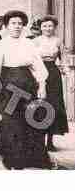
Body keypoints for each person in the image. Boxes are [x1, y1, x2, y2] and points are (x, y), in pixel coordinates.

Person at [0, 10, 52, 169]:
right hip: (7, 88)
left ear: (23, 26)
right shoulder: (0, 45)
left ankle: (33, 158)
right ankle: (12, 159)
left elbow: (38, 67)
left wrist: (42, 86)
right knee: (9, 123)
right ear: (7, 26)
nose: (17, 27)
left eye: (20, 24)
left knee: (32, 121)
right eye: (13, 23)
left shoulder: (29, 44)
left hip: (28, 86)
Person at [33, 15, 69, 152]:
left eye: (50, 26)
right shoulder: (35, 41)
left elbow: (64, 58)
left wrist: (65, 70)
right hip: (39, 73)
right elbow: (31, 58)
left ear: (54, 27)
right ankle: (38, 141)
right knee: (40, 105)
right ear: (41, 27)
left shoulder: (58, 41)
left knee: (53, 105)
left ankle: (50, 141)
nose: (48, 28)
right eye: (45, 26)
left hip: (53, 75)